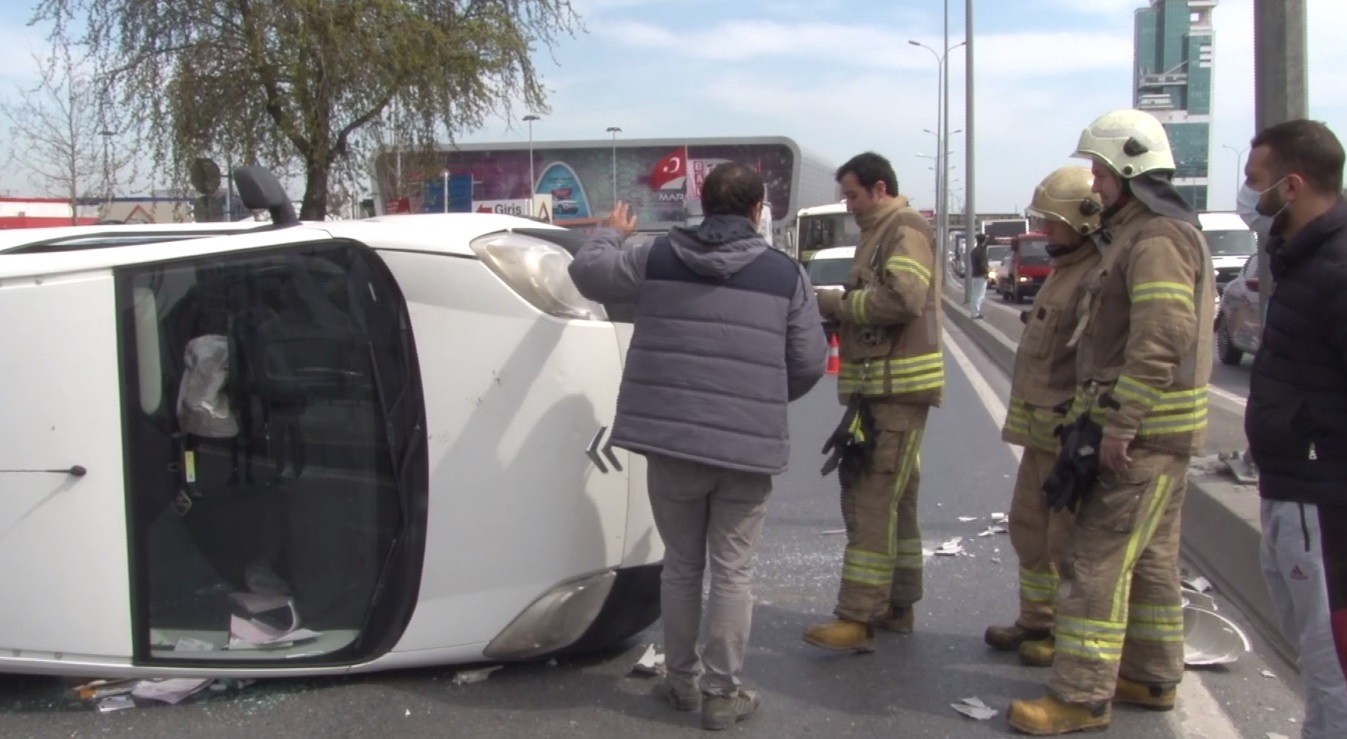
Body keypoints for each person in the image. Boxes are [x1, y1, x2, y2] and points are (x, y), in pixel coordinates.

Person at [568, 162, 828, 731]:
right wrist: (757, 400)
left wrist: (612, 230)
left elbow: (588, 274)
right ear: (758, 210)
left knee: (681, 566)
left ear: (701, 203)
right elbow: (809, 362)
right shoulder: (785, 274)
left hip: (673, 444)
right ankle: (721, 694)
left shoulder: (656, 257)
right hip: (746, 454)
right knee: (734, 570)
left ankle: (680, 684)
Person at [1007, 109, 1213, 735]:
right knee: (1150, 561)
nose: (1093, 186)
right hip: (1160, 434)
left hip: (1141, 436)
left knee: (1092, 564)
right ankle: (1150, 676)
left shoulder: (1155, 239)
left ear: (1128, 170)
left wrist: (1120, 425)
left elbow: (1162, 334)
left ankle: (1080, 697)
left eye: (1099, 172)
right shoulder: (1150, 233)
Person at [803, 151, 943, 653]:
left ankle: (856, 617)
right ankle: (897, 604)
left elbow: (903, 299)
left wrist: (838, 304)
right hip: (883, 388)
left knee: (869, 499)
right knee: (897, 502)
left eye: (854, 194)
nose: (848, 203)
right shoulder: (882, 230)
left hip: (894, 388)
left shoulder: (901, 229)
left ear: (880, 189)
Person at [1240, 118, 1347, 739]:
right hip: (1291, 487)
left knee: (1330, 660)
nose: (1251, 195)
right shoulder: (1302, 261)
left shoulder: (1335, 269)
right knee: (1315, 654)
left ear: (1294, 184)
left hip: (1323, 498)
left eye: (1257, 181)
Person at [985, 166, 1103, 667]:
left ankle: (1061, 631)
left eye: (1052, 222)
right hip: (1038, 435)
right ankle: (1036, 618)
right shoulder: (1064, 270)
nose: (1044, 232)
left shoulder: (1096, 275)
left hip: (1065, 436)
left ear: (1082, 222)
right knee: (1027, 529)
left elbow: (1094, 363)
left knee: (1063, 543)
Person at [968, 233, 990, 318]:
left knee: (974, 295)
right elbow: (983, 265)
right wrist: (987, 273)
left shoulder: (974, 251)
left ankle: (974, 312)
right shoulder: (981, 252)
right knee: (980, 296)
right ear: (984, 240)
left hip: (974, 275)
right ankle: (976, 313)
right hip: (981, 276)